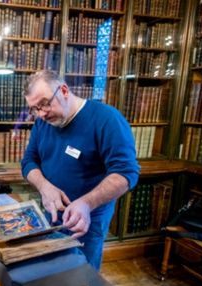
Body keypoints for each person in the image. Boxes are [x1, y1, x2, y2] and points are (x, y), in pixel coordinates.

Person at [21, 70, 140, 270]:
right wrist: (44, 187)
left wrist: (86, 203)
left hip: (86, 221)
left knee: (82, 277)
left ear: (64, 90)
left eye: (44, 104)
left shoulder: (107, 119)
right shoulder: (43, 123)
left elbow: (126, 173)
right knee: (51, 275)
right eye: (34, 109)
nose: (41, 114)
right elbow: (28, 161)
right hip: (49, 215)